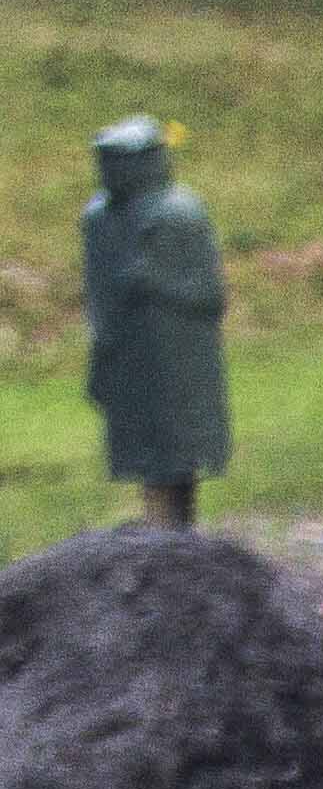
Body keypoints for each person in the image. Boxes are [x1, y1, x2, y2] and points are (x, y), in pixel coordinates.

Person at [79, 118, 227, 528]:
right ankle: (160, 531)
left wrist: (157, 283)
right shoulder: (99, 220)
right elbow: (97, 292)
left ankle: (175, 534)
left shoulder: (182, 214)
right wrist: (103, 347)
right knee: (143, 453)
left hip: (179, 363)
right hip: (127, 358)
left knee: (177, 454)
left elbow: (209, 296)